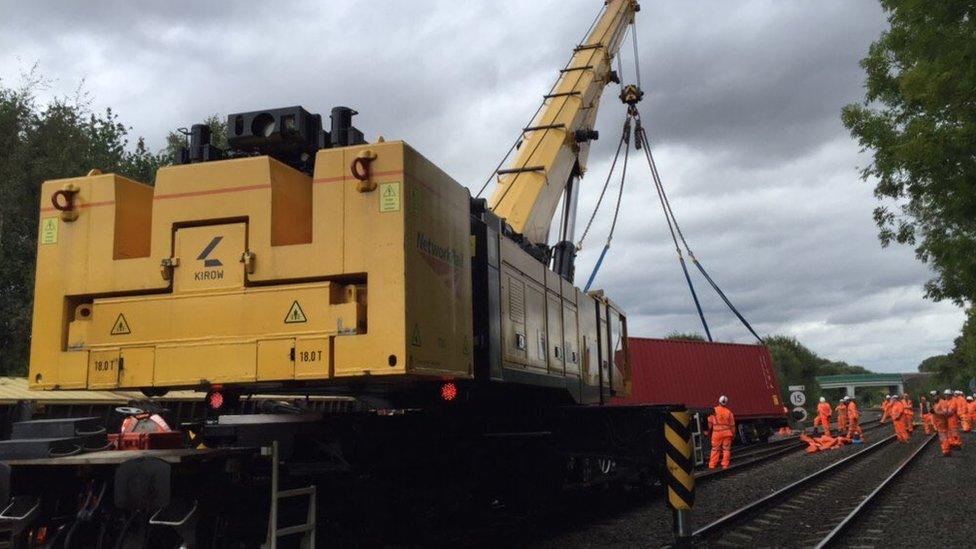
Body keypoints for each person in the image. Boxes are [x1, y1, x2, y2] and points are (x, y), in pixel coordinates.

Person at [707, 395, 736, 469]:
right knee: (726, 449)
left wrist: (707, 431)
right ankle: (725, 465)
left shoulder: (713, 410)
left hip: (717, 433)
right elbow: (732, 425)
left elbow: (709, 422)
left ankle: (712, 465)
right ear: (726, 403)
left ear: (719, 401)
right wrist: (733, 434)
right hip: (727, 434)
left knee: (715, 449)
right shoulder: (729, 412)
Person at [934, 390, 954, 456]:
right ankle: (945, 450)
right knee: (942, 438)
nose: (933, 397)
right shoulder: (936, 403)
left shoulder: (942, 402)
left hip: (943, 423)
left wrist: (935, 412)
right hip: (939, 424)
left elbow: (945, 413)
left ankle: (946, 451)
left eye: (935, 395)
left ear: (938, 395)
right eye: (932, 396)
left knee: (944, 437)